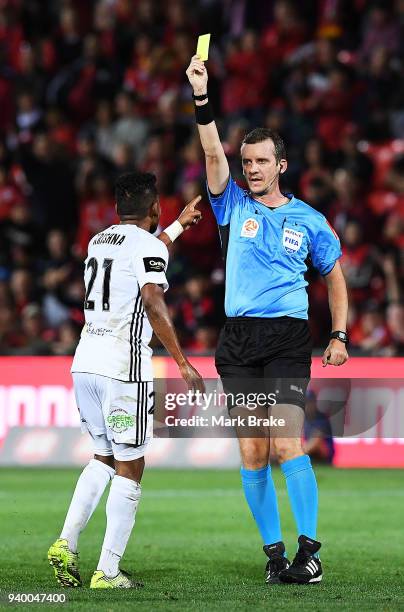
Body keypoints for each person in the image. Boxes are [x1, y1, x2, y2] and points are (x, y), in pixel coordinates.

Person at [186, 55, 349, 585]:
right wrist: (202, 96)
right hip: (238, 341)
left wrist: (338, 333)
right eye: (246, 161)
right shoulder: (230, 204)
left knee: (285, 441)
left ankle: (310, 552)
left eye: (260, 161)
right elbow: (211, 148)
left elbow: (335, 276)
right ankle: (276, 555)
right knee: (253, 451)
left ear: (281, 164)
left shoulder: (311, 220)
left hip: (284, 337)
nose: (250, 168)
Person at [48, 172, 204, 589]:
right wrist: (183, 362)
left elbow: (145, 250)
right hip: (124, 370)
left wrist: (177, 227)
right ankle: (108, 570)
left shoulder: (99, 240)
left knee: (103, 456)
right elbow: (152, 297)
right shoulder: (149, 245)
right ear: (154, 208)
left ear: (118, 210)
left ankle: (66, 542)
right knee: (131, 465)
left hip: (85, 364)